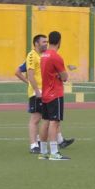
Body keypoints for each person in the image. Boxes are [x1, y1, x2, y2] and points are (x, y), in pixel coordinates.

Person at [38, 31, 70, 161]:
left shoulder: (43, 55)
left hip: (45, 92)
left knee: (45, 121)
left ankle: (43, 152)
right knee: (54, 122)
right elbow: (65, 77)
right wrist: (60, 76)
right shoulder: (56, 57)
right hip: (55, 93)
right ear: (59, 41)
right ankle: (54, 152)